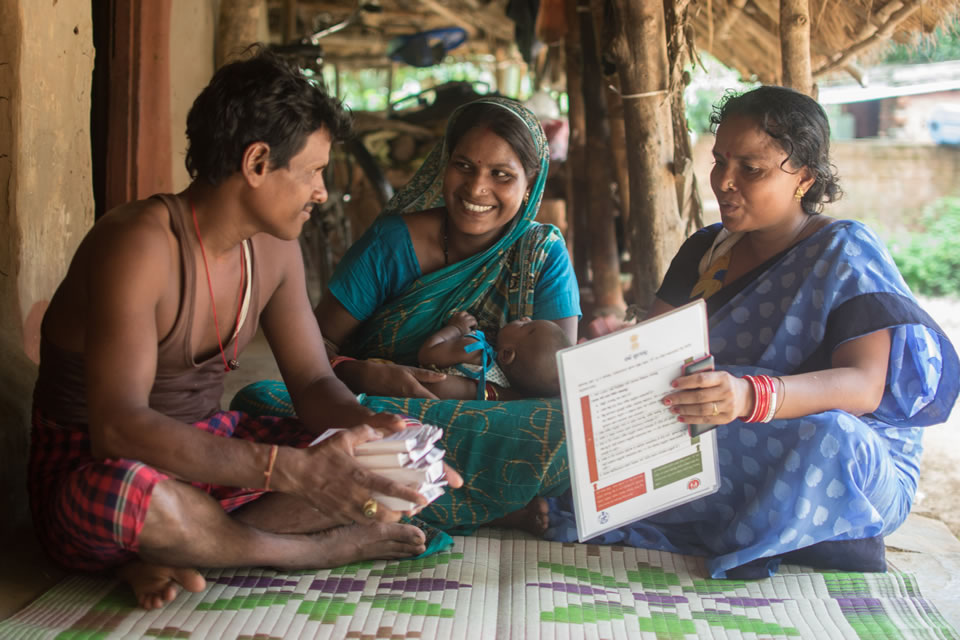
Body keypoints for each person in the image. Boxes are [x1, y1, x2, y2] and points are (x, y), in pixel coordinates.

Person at [28, 48, 462, 611]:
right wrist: (292, 472)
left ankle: (187, 548)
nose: (322, 192)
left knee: (395, 461)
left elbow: (311, 384)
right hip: (100, 474)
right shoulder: (137, 243)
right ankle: (298, 550)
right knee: (127, 497)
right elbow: (119, 430)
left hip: (210, 456)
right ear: (258, 163)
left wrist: (375, 430)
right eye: (312, 171)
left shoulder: (276, 250)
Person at [547, 85, 959, 578]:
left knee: (831, 437)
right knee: (595, 427)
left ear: (804, 177)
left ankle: (791, 526)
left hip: (839, 460)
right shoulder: (705, 251)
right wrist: (612, 356)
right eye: (720, 161)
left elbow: (864, 386)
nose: (724, 181)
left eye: (751, 169)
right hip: (730, 439)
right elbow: (652, 362)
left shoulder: (844, 252)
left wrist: (748, 396)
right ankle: (780, 529)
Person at [233, 97, 580, 536]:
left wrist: (472, 396)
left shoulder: (542, 255)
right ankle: (490, 500)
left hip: (490, 420)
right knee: (261, 404)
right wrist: (365, 376)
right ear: (443, 164)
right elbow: (313, 352)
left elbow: (559, 384)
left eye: (501, 175)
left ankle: (385, 498)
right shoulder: (393, 242)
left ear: (530, 184)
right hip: (377, 413)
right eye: (464, 166)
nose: (476, 189)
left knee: (570, 428)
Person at [417, 311, 573, 400]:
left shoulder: (474, 349)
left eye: (525, 325)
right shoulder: (509, 391)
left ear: (506, 355)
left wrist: (456, 328)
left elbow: (426, 353)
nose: (525, 318)